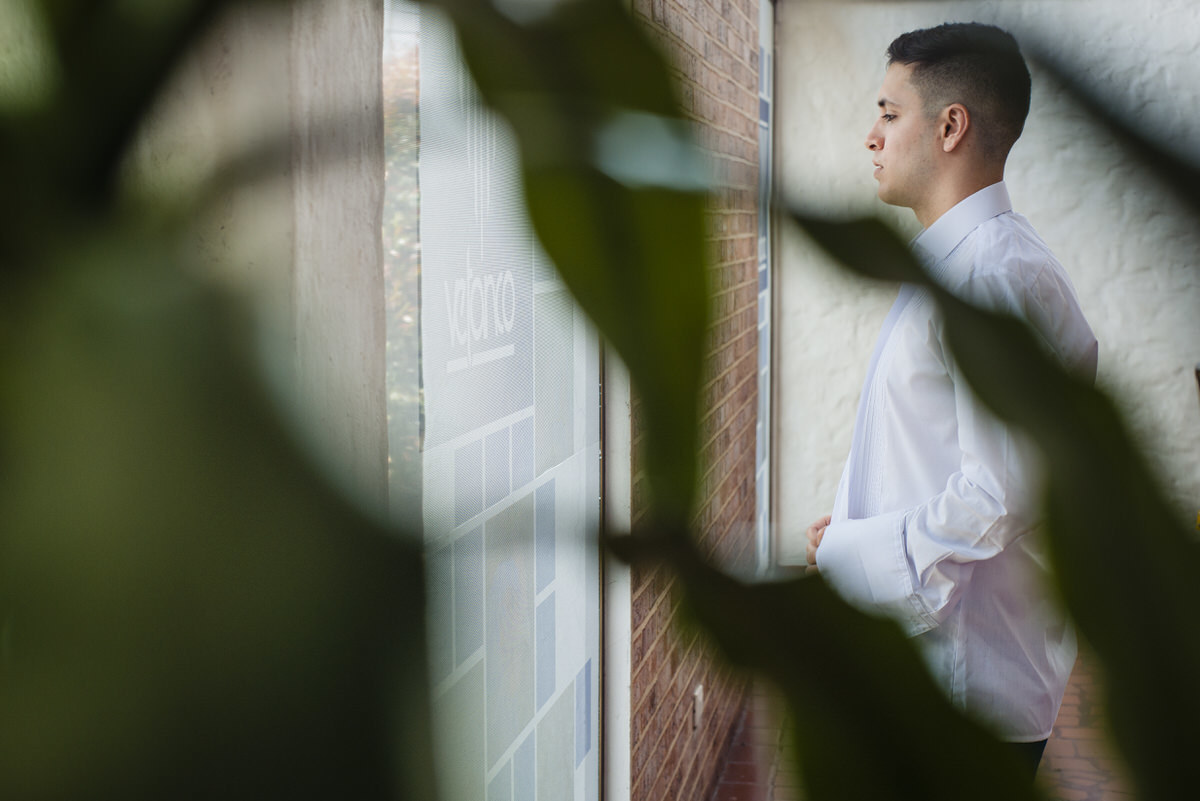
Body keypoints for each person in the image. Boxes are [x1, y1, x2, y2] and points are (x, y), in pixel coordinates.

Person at [804, 22, 1098, 779]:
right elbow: (940, 453)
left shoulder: (994, 277)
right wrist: (853, 524)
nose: (871, 136)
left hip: (972, 698)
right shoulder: (960, 265)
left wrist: (852, 554)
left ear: (951, 126)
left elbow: (1000, 494)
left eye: (889, 113)